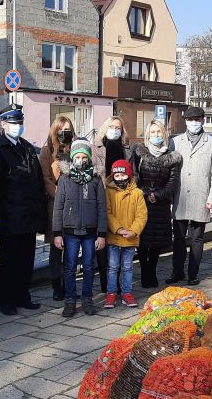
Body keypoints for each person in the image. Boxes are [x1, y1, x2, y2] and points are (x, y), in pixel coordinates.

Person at [0, 104, 45, 316]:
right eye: (13, 123)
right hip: (10, 215)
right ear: (4, 124)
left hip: (28, 215)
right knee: (9, 260)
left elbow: (37, 181)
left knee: (26, 258)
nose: (17, 127)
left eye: (20, 123)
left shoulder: (27, 147)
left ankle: (23, 294)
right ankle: (7, 298)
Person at [167, 107, 212, 286]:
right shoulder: (175, 142)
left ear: (203, 120)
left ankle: (193, 273)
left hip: (201, 196)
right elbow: (169, 169)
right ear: (185, 121)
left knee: (197, 238)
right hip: (180, 197)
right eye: (190, 119)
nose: (193, 123)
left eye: (197, 119)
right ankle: (177, 271)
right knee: (179, 238)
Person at [52, 140, 106, 317]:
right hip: (70, 231)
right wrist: (57, 233)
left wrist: (102, 233)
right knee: (69, 266)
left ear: (89, 159)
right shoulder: (65, 178)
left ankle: (87, 298)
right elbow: (58, 206)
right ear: (72, 158)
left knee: (89, 266)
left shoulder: (96, 179)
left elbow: (102, 207)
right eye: (78, 157)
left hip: (90, 232)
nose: (81, 160)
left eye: (84, 157)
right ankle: (70, 300)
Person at [131, 119, 182, 288]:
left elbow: (173, 182)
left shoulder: (172, 157)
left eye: (159, 132)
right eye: (152, 132)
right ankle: (145, 270)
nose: (156, 135)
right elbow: (134, 176)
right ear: (147, 134)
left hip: (160, 204)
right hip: (141, 201)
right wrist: (145, 194)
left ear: (164, 134)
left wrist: (158, 195)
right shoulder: (139, 152)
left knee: (156, 241)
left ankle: (151, 271)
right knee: (142, 239)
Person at [92, 116, 134, 292]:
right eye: (111, 126)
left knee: (119, 240)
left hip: (122, 198)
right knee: (103, 240)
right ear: (105, 127)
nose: (115, 130)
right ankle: (105, 282)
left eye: (118, 127)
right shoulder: (96, 147)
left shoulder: (128, 149)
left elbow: (134, 173)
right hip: (102, 197)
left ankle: (118, 281)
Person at [40, 116, 76, 301]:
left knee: (71, 247)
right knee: (56, 247)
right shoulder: (46, 150)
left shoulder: (75, 148)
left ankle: (70, 284)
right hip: (55, 206)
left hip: (74, 206)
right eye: (61, 129)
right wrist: (60, 196)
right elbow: (45, 178)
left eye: (68, 129)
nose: (64, 133)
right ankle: (56, 286)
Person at [104, 159, 147, 308]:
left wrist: (133, 231)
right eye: (117, 176)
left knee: (128, 267)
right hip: (114, 237)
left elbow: (142, 215)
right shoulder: (108, 192)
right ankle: (111, 293)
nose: (120, 178)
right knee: (113, 267)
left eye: (123, 175)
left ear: (128, 175)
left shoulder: (137, 193)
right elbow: (107, 213)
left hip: (130, 238)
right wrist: (118, 229)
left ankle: (127, 293)